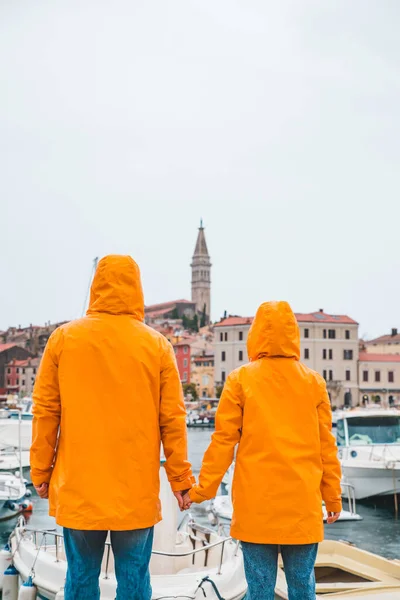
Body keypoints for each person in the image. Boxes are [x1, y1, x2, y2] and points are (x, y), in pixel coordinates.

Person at [30, 255, 194, 600]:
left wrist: (41, 472)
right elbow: (173, 421)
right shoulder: (157, 346)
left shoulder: (63, 340)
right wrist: (180, 480)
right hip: (134, 492)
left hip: (79, 489)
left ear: (96, 286)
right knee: (134, 583)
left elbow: (46, 413)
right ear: (137, 288)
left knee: (80, 580)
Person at [185, 301, 342, 600]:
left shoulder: (240, 380)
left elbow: (222, 443)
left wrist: (201, 491)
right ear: (293, 333)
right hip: (302, 508)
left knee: (259, 590)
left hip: (256, 509)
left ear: (256, 334)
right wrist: (332, 495)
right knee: (302, 587)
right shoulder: (314, 383)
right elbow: (327, 448)